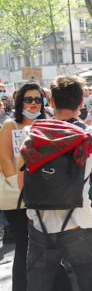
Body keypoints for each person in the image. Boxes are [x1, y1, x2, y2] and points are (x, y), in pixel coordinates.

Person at [18, 76, 92, 291]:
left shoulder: (31, 133)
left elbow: (22, 184)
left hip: (39, 225)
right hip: (79, 223)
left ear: (51, 102)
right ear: (81, 103)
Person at [0, 83, 46, 291]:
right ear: (20, 102)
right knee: (24, 244)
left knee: (46, 245)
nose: (34, 103)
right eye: (29, 99)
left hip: (44, 195)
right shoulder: (10, 125)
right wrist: (18, 185)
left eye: (38, 99)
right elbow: (5, 159)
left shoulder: (47, 124)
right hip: (17, 196)